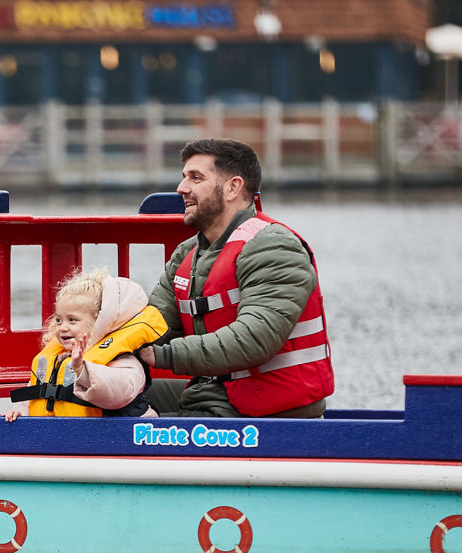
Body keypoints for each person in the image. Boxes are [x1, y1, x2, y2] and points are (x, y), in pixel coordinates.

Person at [141, 138, 334, 418]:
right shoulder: (188, 253)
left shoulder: (274, 247)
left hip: (270, 412)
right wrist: (100, 348)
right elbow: (151, 324)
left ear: (233, 187)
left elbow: (254, 340)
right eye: (184, 177)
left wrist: (160, 356)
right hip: (216, 393)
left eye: (196, 178)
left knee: (122, 422)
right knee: (88, 395)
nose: (182, 188)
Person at [6, 267, 166, 420]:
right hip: (65, 437)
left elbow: (118, 392)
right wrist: (20, 412)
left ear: (99, 322)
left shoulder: (123, 358)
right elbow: (32, 397)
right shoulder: (56, 359)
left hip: (119, 438)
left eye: (72, 320)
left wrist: (82, 370)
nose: (62, 327)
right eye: (58, 320)